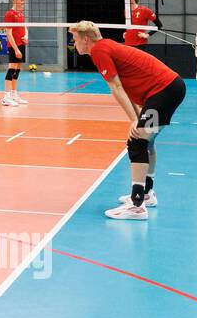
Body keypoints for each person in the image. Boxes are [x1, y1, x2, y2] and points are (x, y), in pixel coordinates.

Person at [69, 21, 186, 222]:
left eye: (75, 38)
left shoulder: (100, 51)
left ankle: (137, 205)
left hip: (163, 91)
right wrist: (138, 115)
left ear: (85, 39)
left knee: (137, 141)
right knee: (147, 142)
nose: (73, 42)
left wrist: (134, 120)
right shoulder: (105, 47)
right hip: (169, 88)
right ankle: (147, 194)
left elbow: (116, 87)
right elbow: (125, 85)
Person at [2, 0, 27, 107]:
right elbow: (8, 33)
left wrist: (26, 36)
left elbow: (24, 26)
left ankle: (14, 94)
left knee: (17, 69)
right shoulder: (9, 14)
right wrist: (16, 49)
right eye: (21, 0)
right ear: (15, 0)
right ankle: (6, 97)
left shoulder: (20, 13)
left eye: (23, 0)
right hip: (14, 45)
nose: (23, 2)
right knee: (12, 68)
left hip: (21, 43)